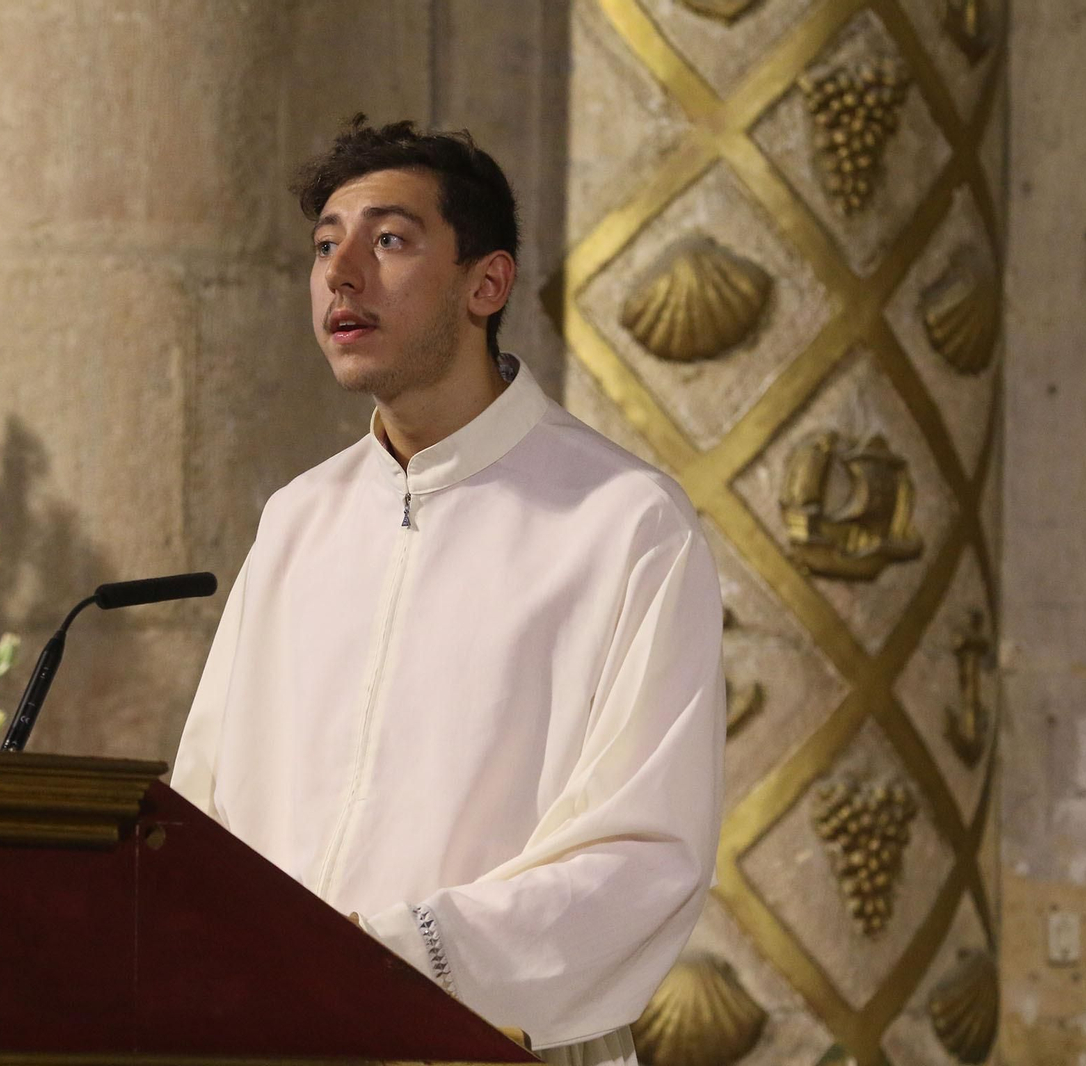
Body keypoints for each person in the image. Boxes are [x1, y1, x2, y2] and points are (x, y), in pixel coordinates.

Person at [172, 116, 725, 1066]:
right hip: (276, 1040)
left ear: (487, 283)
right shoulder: (299, 519)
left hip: (493, 1043)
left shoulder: (624, 521)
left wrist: (395, 954)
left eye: (389, 239)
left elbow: (646, 852)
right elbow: (203, 814)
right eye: (324, 246)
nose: (342, 274)